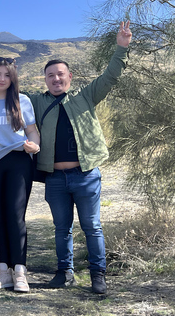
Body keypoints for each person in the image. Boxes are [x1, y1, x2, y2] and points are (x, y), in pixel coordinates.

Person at [25, 21, 132, 294]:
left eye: (60, 74)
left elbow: (110, 76)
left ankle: (98, 275)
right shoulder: (37, 102)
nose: (56, 79)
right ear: (45, 79)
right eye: (50, 75)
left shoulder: (85, 96)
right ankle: (65, 272)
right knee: (62, 229)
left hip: (85, 175)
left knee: (92, 227)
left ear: (69, 77)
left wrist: (121, 48)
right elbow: (8, 93)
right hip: (55, 178)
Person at [0, 57, 40, 292]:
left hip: (18, 161)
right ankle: (4, 271)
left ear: (13, 78)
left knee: (15, 215)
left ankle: (20, 271)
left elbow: (33, 132)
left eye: (7, 75)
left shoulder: (22, 101)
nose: (2, 79)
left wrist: (35, 145)